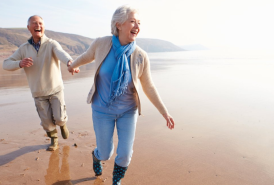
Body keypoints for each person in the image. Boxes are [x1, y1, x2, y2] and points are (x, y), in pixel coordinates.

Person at [68, 5, 175, 185]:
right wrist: (72, 65)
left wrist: (165, 112)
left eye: (139, 23)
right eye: (132, 21)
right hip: (102, 109)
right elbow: (87, 56)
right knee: (105, 153)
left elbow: (148, 86)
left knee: (125, 154)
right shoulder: (102, 44)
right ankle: (96, 157)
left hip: (128, 111)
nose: (137, 26)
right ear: (118, 24)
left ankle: (116, 181)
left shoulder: (140, 56)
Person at [3, 15, 79, 151]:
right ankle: (54, 140)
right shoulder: (24, 48)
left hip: (55, 88)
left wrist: (70, 62)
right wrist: (19, 63)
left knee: (59, 117)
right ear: (28, 28)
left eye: (40, 23)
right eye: (34, 23)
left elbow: (62, 53)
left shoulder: (51, 44)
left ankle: (62, 124)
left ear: (44, 26)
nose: (38, 25)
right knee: (47, 121)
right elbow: (6, 64)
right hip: (38, 92)